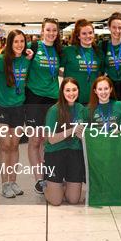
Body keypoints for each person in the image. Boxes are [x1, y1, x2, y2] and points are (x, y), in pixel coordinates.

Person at [25, 18, 62, 194]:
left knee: (48, 140)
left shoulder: (59, 50)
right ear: (42, 31)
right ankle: (39, 179)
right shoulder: (33, 47)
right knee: (35, 140)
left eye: (54, 30)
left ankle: (49, 174)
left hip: (53, 99)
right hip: (34, 98)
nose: (51, 33)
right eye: (48, 30)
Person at [0, 30, 31, 198]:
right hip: (2, 107)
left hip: (18, 108)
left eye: (22, 41)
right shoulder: (0, 61)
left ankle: (13, 182)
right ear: (10, 43)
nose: (19, 45)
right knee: (5, 145)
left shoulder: (26, 60)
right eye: (16, 42)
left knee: (15, 145)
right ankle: (4, 184)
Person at [43, 77, 86, 206]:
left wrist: (81, 136)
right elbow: (51, 139)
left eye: (74, 90)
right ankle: (47, 186)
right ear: (62, 92)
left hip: (74, 152)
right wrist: (72, 130)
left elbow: (85, 135)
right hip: (55, 153)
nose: (71, 93)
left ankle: (65, 185)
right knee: (56, 201)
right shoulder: (54, 110)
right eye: (67, 90)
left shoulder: (81, 109)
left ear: (78, 91)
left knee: (73, 200)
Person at [62, 19, 103, 104]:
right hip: (73, 99)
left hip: (93, 99)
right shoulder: (69, 51)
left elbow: (100, 74)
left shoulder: (99, 53)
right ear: (78, 36)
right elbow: (55, 67)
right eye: (84, 33)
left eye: (90, 33)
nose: (88, 36)